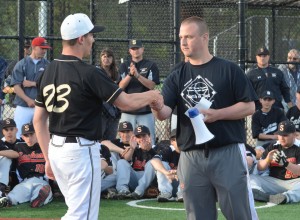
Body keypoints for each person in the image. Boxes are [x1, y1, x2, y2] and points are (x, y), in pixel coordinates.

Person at [32, 13, 162, 220]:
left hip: (56, 149)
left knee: (76, 211)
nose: (93, 40)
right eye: (91, 35)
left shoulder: (48, 71)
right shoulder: (88, 72)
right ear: (81, 38)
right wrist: (153, 95)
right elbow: (125, 102)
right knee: (81, 216)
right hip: (80, 151)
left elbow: (38, 120)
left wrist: (48, 157)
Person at [151, 16, 258, 220]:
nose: (182, 42)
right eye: (181, 37)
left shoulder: (229, 69)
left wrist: (217, 114)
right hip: (191, 156)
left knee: (239, 214)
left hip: (227, 152)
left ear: (205, 37)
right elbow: (165, 112)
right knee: (198, 216)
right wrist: (156, 106)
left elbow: (250, 106)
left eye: (189, 37)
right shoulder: (177, 74)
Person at [0, 123, 53, 208]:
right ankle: (7, 201)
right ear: (22, 136)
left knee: (41, 190)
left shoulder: (45, 146)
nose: (29, 138)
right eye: (26, 135)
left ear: (37, 134)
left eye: (31, 134)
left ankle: (40, 198)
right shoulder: (18, 146)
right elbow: (10, 157)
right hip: (25, 183)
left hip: (42, 181)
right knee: (11, 197)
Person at [118, 39, 160, 144]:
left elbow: (152, 85)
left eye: (137, 48)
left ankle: (149, 160)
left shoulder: (150, 65)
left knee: (148, 141)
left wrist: (137, 75)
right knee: (125, 141)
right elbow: (120, 87)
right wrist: (130, 75)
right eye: (133, 48)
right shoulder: (124, 65)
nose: (135, 50)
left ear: (142, 49)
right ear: (129, 51)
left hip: (145, 110)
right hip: (127, 110)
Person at [250, 120, 300, 205]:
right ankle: (262, 195)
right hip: (274, 181)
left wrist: (285, 163)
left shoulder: (298, 147)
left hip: (295, 182)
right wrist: (267, 160)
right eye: (279, 134)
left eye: (285, 135)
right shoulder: (273, 146)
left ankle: (285, 198)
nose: (281, 138)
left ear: (294, 135)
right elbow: (259, 167)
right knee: (251, 178)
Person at [10, 37, 51, 139]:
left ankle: (39, 155)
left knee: (41, 135)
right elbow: (16, 87)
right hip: (23, 105)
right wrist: (28, 100)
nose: (44, 51)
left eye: (45, 49)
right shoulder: (22, 64)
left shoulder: (48, 65)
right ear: (34, 47)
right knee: (19, 134)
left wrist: (33, 84)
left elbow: (50, 85)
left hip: (41, 106)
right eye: (42, 48)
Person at [150, 129, 183, 202]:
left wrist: (178, 172)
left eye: (181, 138)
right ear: (172, 142)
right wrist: (167, 173)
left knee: (188, 165)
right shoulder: (168, 150)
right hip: (171, 182)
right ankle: (166, 193)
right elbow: (154, 161)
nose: (180, 141)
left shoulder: (190, 151)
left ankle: (183, 192)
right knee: (162, 164)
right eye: (176, 139)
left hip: (186, 185)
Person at [98, 48, 121, 140]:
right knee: (99, 138)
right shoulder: (96, 71)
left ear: (112, 59)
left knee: (111, 138)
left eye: (109, 57)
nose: (106, 59)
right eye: (104, 56)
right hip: (100, 109)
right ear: (101, 58)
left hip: (114, 109)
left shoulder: (116, 73)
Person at [0, 119, 19, 198]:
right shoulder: (1, 142)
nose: (9, 132)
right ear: (2, 132)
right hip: (3, 174)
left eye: (11, 129)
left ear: (16, 130)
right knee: (5, 158)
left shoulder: (23, 142)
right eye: (6, 130)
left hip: (18, 175)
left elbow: (16, 154)